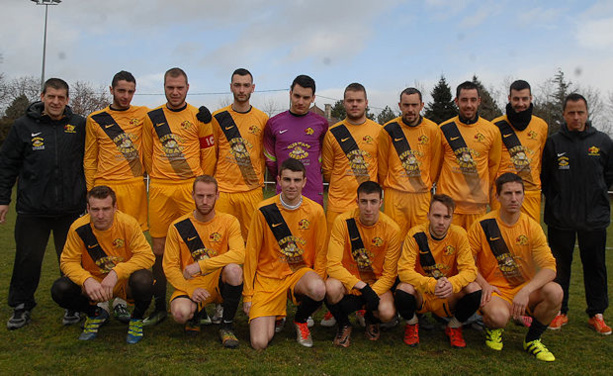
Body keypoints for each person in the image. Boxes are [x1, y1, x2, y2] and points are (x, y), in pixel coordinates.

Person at [0, 78, 86, 330]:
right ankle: (21, 306)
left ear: (68, 100)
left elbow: (91, 160)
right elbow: (7, 164)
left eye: (61, 97)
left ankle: (73, 305)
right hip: (32, 208)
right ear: (43, 97)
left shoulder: (79, 125)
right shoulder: (22, 126)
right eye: (51, 97)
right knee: (27, 259)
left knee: (70, 261)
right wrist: (3, 199)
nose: (56, 101)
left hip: (70, 208)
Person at [141, 67, 216, 325]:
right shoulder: (152, 117)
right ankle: (159, 306)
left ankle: (201, 305)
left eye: (180, 87)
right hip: (161, 189)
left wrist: (199, 185)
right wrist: (161, 177)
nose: (175, 92)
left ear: (188, 87)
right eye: (170, 87)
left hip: (189, 189)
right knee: (159, 249)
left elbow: (208, 152)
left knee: (195, 248)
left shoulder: (199, 115)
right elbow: (147, 154)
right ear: (163, 87)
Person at [469, 173, 562, 362]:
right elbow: (467, 263)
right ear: (497, 197)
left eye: (518, 193)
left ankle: (533, 339)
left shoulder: (532, 227)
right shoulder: (482, 225)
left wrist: (526, 290)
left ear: (523, 195)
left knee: (555, 291)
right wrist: (484, 285)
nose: (514, 198)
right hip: (495, 292)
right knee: (498, 317)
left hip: (524, 293)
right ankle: (493, 330)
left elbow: (549, 267)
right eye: (508, 193)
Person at [541, 93, 613, 334]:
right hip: (561, 218)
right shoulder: (553, 143)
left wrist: (597, 197)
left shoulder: (603, 141)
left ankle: (597, 313)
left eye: (580, 112)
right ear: (563, 115)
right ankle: (560, 311)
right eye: (571, 112)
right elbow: (546, 179)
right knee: (560, 266)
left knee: (595, 266)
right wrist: (558, 202)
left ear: (587, 113)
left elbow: (608, 176)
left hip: (594, 219)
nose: (576, 117)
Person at [50, 186, 155, 344]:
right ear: (87, 208)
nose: (100, 215)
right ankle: (94, 314)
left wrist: (116, 273)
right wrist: (86, 279)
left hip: (122, 282)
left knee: (145, 280)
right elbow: (67, 261)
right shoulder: (78, 228)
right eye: (95, 209)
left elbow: (146, 256)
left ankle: (136, 319)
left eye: (106, 209)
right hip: (95, 283)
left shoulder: (128, 224)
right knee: (60, 289)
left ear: (115, 207)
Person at [84, 70, 149, 322]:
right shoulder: (96, 119)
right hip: (104, 188)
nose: (126, 96)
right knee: (103, 246)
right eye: (121, 91)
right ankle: (102, 299)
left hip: (133, 189)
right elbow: (90, 158)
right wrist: (91, 193)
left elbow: (173, 113)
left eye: (131, 91)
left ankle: (122, 298)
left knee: (129, 247)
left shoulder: (143, 114)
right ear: (111, 90)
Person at [243, 158, 327, 349]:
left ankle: (300, 320)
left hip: (297, 274)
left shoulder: (315, 211)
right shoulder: (263, 210)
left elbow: (321, 253)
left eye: (297, 180)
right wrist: (248, 295)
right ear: (278, 180)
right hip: (268, 278)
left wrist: (319, 289)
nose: (292, 185)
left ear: (304, 182)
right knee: (259, 343)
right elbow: (251, 254)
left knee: (318, 288)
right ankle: (276, 314)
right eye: (287, 180)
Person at [163, 175, 244, 348]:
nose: (205, 201)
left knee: (235, 271)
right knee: (179, 313)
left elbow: (239, 254)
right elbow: (169, 267)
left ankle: (227, 325)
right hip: (192, 284)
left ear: (218, 195)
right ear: (192, 195)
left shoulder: (229, 222)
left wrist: (201, 265)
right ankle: (195, 316)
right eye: (200, 196)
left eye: (209, 196)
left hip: (218, 282)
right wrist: (189, 289)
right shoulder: (178, 226)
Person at [395, 194, 481, 348]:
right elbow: (403, 271)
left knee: (474, 289)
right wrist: (430, 284)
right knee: (403, 289)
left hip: (448, 294)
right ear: (428, 215)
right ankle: (412, 324)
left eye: (446, 217)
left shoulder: (459, 235)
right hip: (423, 293)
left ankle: (454, 326)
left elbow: (470, 270)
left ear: (452, 217)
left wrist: (452, 284)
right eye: (437, 216)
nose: (441, 222)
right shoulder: (415, 235)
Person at [325, 181, 401, 347]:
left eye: (373, 202)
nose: (368, 208)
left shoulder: (392, 230)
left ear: (381, 203)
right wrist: (361, 288)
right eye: (364, 201)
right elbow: (332, 265)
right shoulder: (342, 222)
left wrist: (371, 292)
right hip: (349, 282)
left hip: (376, 283)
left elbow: (389, 275)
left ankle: (370, 319)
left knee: (387, 313)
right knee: (330, 288)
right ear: (357, 201)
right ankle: (344, 324)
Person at [211, 68, 268, 239]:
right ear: (231, 87)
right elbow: (212, 154)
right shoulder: (218, 117)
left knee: (252, 242)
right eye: (237, 85)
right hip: (223, 190)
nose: (241, 90)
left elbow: (263, 155)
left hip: (251, 190)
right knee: (220, 240)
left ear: (253, 87)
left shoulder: (262, 118)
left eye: (246, 85)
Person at [437, 81, 502, 230]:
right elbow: (437, 164)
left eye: (473, 100)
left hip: (476, 206)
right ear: (456, 101)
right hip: (448, 205)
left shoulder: (492, 131)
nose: (469, 105)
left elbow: (493, 166)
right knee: (448, 251)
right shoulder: (444, 129)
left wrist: (481, 190)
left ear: (479, 101)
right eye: (464, 100)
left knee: (474, 251)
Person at [379, 87, 442, 237]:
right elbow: (382, 165)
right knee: (394, 240)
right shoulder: (388, 130)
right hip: (395, 195)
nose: (410, 110)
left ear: (422, 105)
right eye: (406, 105)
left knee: (421, 240)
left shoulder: (433, 129)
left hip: (421, 196)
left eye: (414, 105)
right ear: (400, 106)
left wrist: (424, 183)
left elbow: (435, 163)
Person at [322, 83, 380, 234]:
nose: (354, 104)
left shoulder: (379, 132)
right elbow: (328, 170)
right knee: (335, 254)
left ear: (366, 103)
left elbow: (383, 169)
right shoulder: (333, 133)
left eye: (359, 101)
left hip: (366, 207)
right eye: (350, 101)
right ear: (344, 103)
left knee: (364, 255)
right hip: (337, 206)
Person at [264, 75, 329, 206]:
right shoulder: (273, 123)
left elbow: (325, 156)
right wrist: (283, 178)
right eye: (297, 96)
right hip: (284, 192)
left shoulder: (321, 124)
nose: (300, 102)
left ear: (313, 98)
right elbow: (270, 159)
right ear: (290, 94)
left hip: (312, 192)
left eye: (306, 98)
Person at [491, 80, 548, 221]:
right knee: (501, 238)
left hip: (530, 192)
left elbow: (542, 160)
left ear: (531, 98)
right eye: (516, 99)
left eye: (524, 99)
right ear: (509, 99)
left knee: (528, 238)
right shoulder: (495, 126)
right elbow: (490, 162)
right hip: (502, 192)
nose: (520, 103)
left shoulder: (541, 126)